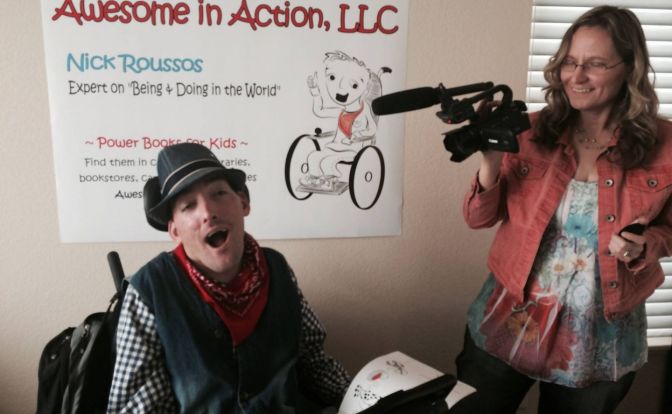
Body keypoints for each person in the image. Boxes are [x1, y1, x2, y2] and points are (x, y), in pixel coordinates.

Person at [452, 6, 672, 414]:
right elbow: (478, 218)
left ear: (629, 68)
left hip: (600, 336)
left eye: (595, 64)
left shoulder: (665, 145)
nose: (576, 76)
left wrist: (646, 245)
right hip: (511, 315)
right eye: (570, 62)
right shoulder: (529, 132)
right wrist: (490, 160)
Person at [107, 142, 350, 413]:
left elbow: (313, 363)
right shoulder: (149, 292)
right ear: (174, 231)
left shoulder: (277, 268)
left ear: (243, 203)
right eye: (188, 205)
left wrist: (364, 395)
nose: (208, 212)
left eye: (219, 193)